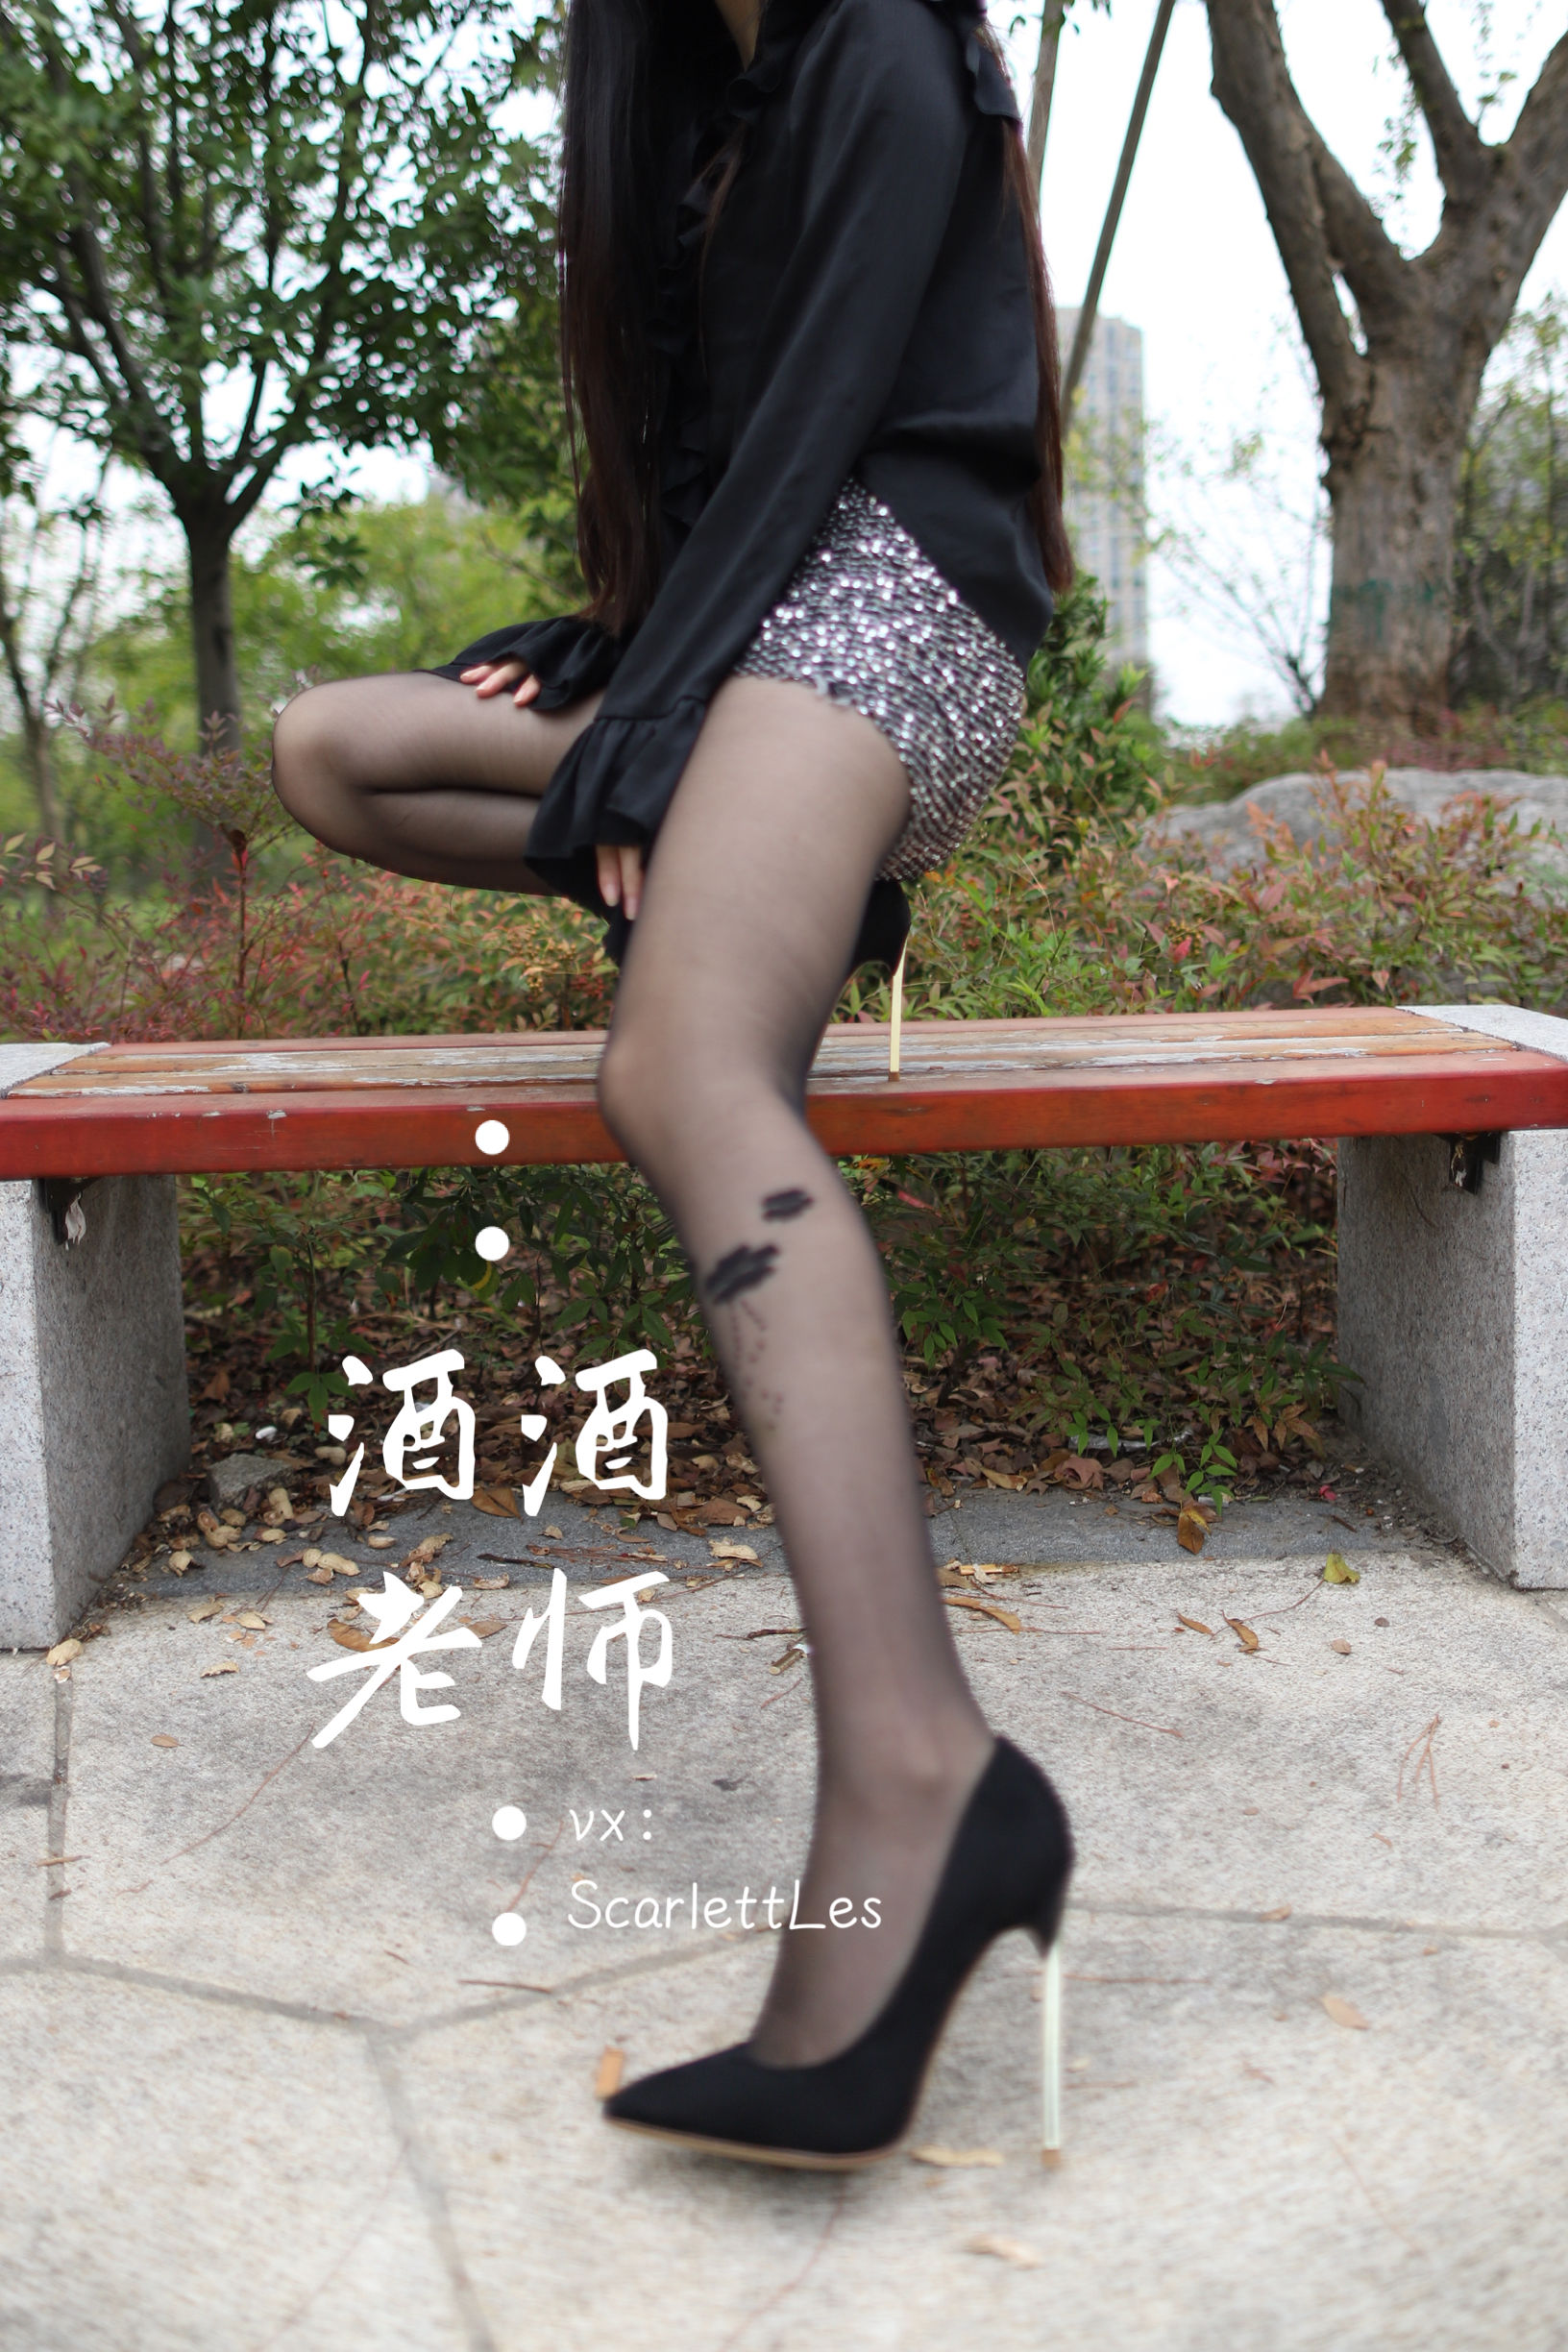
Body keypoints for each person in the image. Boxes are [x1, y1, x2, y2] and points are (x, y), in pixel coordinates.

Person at [272, 0, 1075, 2169]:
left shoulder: (882, 37)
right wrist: (625, 655)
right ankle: (770, 882)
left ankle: (922, 1768)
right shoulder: (692, 97)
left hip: (901, 600)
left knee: (684, 1063)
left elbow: (831, 434)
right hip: (749, 627)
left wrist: (655, 724)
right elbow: (726, 457)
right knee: (337, 749)